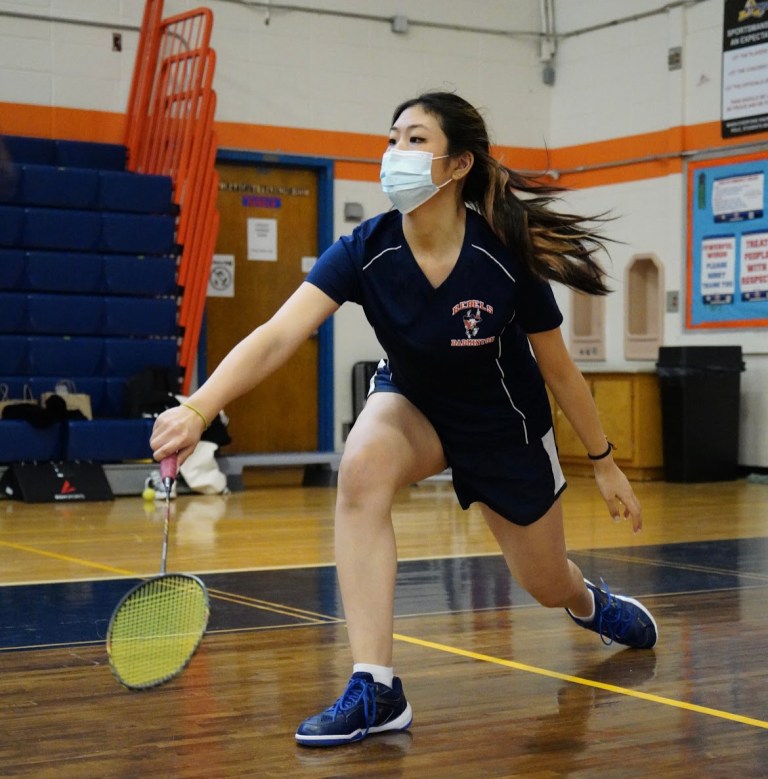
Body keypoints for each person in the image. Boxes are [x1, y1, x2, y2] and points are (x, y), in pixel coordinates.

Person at [149, 91, 658, 748]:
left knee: (545, 580)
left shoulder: (504, 253)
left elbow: (559, 369)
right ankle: (376, 686)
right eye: (392, 138)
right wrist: (199, 405)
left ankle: (588, 602)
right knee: (360, 468)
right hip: (414, 404)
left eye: (416, 139)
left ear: (456, 166)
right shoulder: (367, 249)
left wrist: (606, 459)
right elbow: (279, 334)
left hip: (502, 426)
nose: (396, 153)